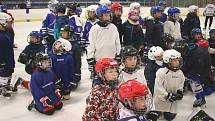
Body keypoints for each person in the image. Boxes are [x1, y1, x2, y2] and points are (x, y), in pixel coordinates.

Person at [147, 49, 185, 121]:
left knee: (169, 117)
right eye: (174, 60)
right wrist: (166, 95)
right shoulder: (161, 72)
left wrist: (179, 92)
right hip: (160, 99)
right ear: (167, 61)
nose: (177, 62)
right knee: (152, 116)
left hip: (172, 101)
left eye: (178, 60)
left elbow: (181, 83)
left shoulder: (180, 73)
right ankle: (156, 111)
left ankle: (166, 112)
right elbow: (158, 87)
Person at [86, 5, 121, 79]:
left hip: (112, 58)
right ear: (100, 16)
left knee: (112, 79)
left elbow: (117, 42)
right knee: (99, 79)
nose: (108, 17)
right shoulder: (95, 28)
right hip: (99, 59)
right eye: (106, 15)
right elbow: (91, 45)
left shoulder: (113, 27)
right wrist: (90, 58)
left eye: (109, 15)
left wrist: (118, 54)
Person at [60, 25, 81, 89]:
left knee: (72, 87)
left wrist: (77, 74)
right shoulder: (59, 43)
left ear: (70, 33)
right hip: (62, 70)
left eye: (64, 33)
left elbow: (77, 61)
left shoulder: (75, 45)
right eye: (62, 33)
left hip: (71, 70)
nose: (62, 34)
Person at [0, 12, 15, 97]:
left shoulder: (7, 33)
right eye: (8, 22)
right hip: (3, 60)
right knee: (4, 72)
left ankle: (5, 85)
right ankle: (3, 87)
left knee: (9, 70)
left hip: (8, 57)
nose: (10, 24)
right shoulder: (2, 36)